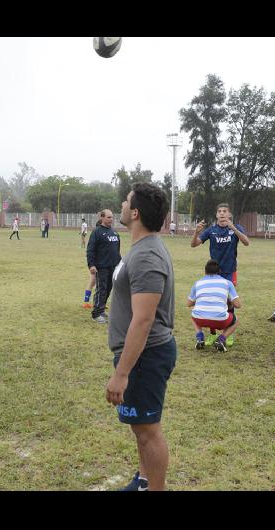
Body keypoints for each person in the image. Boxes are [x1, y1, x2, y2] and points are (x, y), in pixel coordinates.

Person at [105, 182, 175, 492]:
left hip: (145, 356)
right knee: (140, 427)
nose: (121, 204)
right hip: (139, 355)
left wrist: (122, 374)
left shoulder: (147, 256)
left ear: (135, 213)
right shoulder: (141, 248)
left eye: (126, 201)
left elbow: (143, 320)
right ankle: (144, 481)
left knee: (148, 431)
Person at [188, 259, 241, 352]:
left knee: (193, 313)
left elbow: (189, 304)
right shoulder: (227, 283)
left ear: (205, 271)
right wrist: (227, 300)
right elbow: (238, 305)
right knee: (236, 321)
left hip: (200, 319)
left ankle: (200, 337)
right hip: (221, 320)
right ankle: (221, 340)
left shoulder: (198, 283)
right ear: (219, 272)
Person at [191, 203, 249, 286]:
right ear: (216, 215)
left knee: (229, 297)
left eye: (224, 211)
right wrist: (196, 232)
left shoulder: (236, 227)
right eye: (219, 211)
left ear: (229, 215)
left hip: (230, 270)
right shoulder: (211, 230)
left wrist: (234, 229)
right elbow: (193, 244)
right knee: (216, 295)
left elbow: (246, 242)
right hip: (214, 270)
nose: (222, 213)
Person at [86, 210, 121, 323]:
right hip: (101, 267)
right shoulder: (97, 232)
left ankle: (101, 309)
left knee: (108, 289)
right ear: (102, 218)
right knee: (101, 289)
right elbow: (90, 249)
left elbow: (116, 250)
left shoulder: (114, 232)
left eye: (112, 217)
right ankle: (96, 314)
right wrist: (91, 265)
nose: (111, 219)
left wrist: (120, 263)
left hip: (113, 267)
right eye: (109, 217)